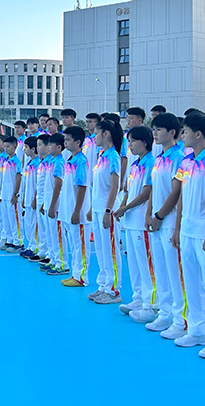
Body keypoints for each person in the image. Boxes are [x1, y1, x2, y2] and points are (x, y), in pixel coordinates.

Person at [171, 111, 205, 355]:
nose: (182, 136)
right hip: (187, 230)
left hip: (203, 231)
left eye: (185, 132)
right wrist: (177, 227)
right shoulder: (186, 161)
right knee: (191, 282)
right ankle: (197, 329)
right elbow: (182, 196)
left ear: (199, 134)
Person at [145, 113, 187, 337]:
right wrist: (150, 213)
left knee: (174, 273)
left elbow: (176, 192)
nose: (155, 133)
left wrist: (160, 216)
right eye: (154, 129)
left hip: (168, 221)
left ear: (172, 133)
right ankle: (165, 312)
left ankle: (180, 320)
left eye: (159, 129)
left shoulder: (178, 157)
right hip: (156, 219)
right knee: (160, 269)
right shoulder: (159, 157)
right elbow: (154, 187)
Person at [115, 125, 155, 321]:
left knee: (146, 264)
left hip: (140, 220)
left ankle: (150, 305)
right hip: (130, 220)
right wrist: (122, 206)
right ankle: (138, 298)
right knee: (134, 262)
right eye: (128, 141)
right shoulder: (134, 164)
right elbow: (130, 190)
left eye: (133, 141)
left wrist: (126, 207)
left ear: (145, 142)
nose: (129, 145)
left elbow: (147, 192)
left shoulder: (151, 163)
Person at [88, 119, 123, 304]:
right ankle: (103, 285)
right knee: (101, 249)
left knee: (111, 249)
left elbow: (114, 186)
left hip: (107, 209)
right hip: (97, 208)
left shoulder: (113, 157)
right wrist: (92, 208)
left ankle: (114, 289)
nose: (94, 137)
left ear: (106, 134)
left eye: (96, 133)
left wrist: (108, 211)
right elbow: (97, 186)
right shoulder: (101, 156)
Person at [58, 126, 91, 287]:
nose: (65, 142)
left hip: (78, 211)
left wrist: (77, 211)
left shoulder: (81, 161)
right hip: (68, 208)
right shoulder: (70, 160)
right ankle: (75, 273)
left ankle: (82, 277)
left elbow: (82, 186)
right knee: (73, 244)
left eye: (68, 140)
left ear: (78, 142)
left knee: (80, 245)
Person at [42, 133, 68, 276]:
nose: (48, 147)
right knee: (51, 233)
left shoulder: (59, 162)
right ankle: (53, 259)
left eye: (50, 144)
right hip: (48, 202)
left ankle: (62, 263)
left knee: (58, 234)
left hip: (55, 205)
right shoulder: (52, 161)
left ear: (58, 147)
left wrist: (53, 205)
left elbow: (58, 185)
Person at [0, 136, 22, 253]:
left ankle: (18, 242)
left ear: (15, 146)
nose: (6, 149)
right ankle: (9, 239)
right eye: (5, 147)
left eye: (8, 146)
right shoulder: (5, 161)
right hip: (4, 194)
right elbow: (3, 178)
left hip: (12, 195)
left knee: (14, 219)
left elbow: (18, 177)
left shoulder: (17, 161)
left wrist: (15, 193)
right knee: (6, 218)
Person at [19, 137, 41, 260]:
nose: (24, 150)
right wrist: (23, 198)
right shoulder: (29, 163)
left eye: (26, 147)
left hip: (33, 199)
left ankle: (35, 247)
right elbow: (26, 183)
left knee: (34, 224)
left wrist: (34, 198)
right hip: (27, 198)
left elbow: (38, 183)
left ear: (33, 149)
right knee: (28, 223)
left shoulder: (38, 163)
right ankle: (30, 246)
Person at [34, 135, 52, 265]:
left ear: (47, 146)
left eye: (40, 145)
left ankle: (51, 254)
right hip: (40, 197)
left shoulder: (51, 162)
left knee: (49, 229)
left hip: (47, 199)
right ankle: (42, 251)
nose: (38, 148)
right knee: (41, 227)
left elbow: (50, 184)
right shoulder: (42, 161)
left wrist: (46, 201)